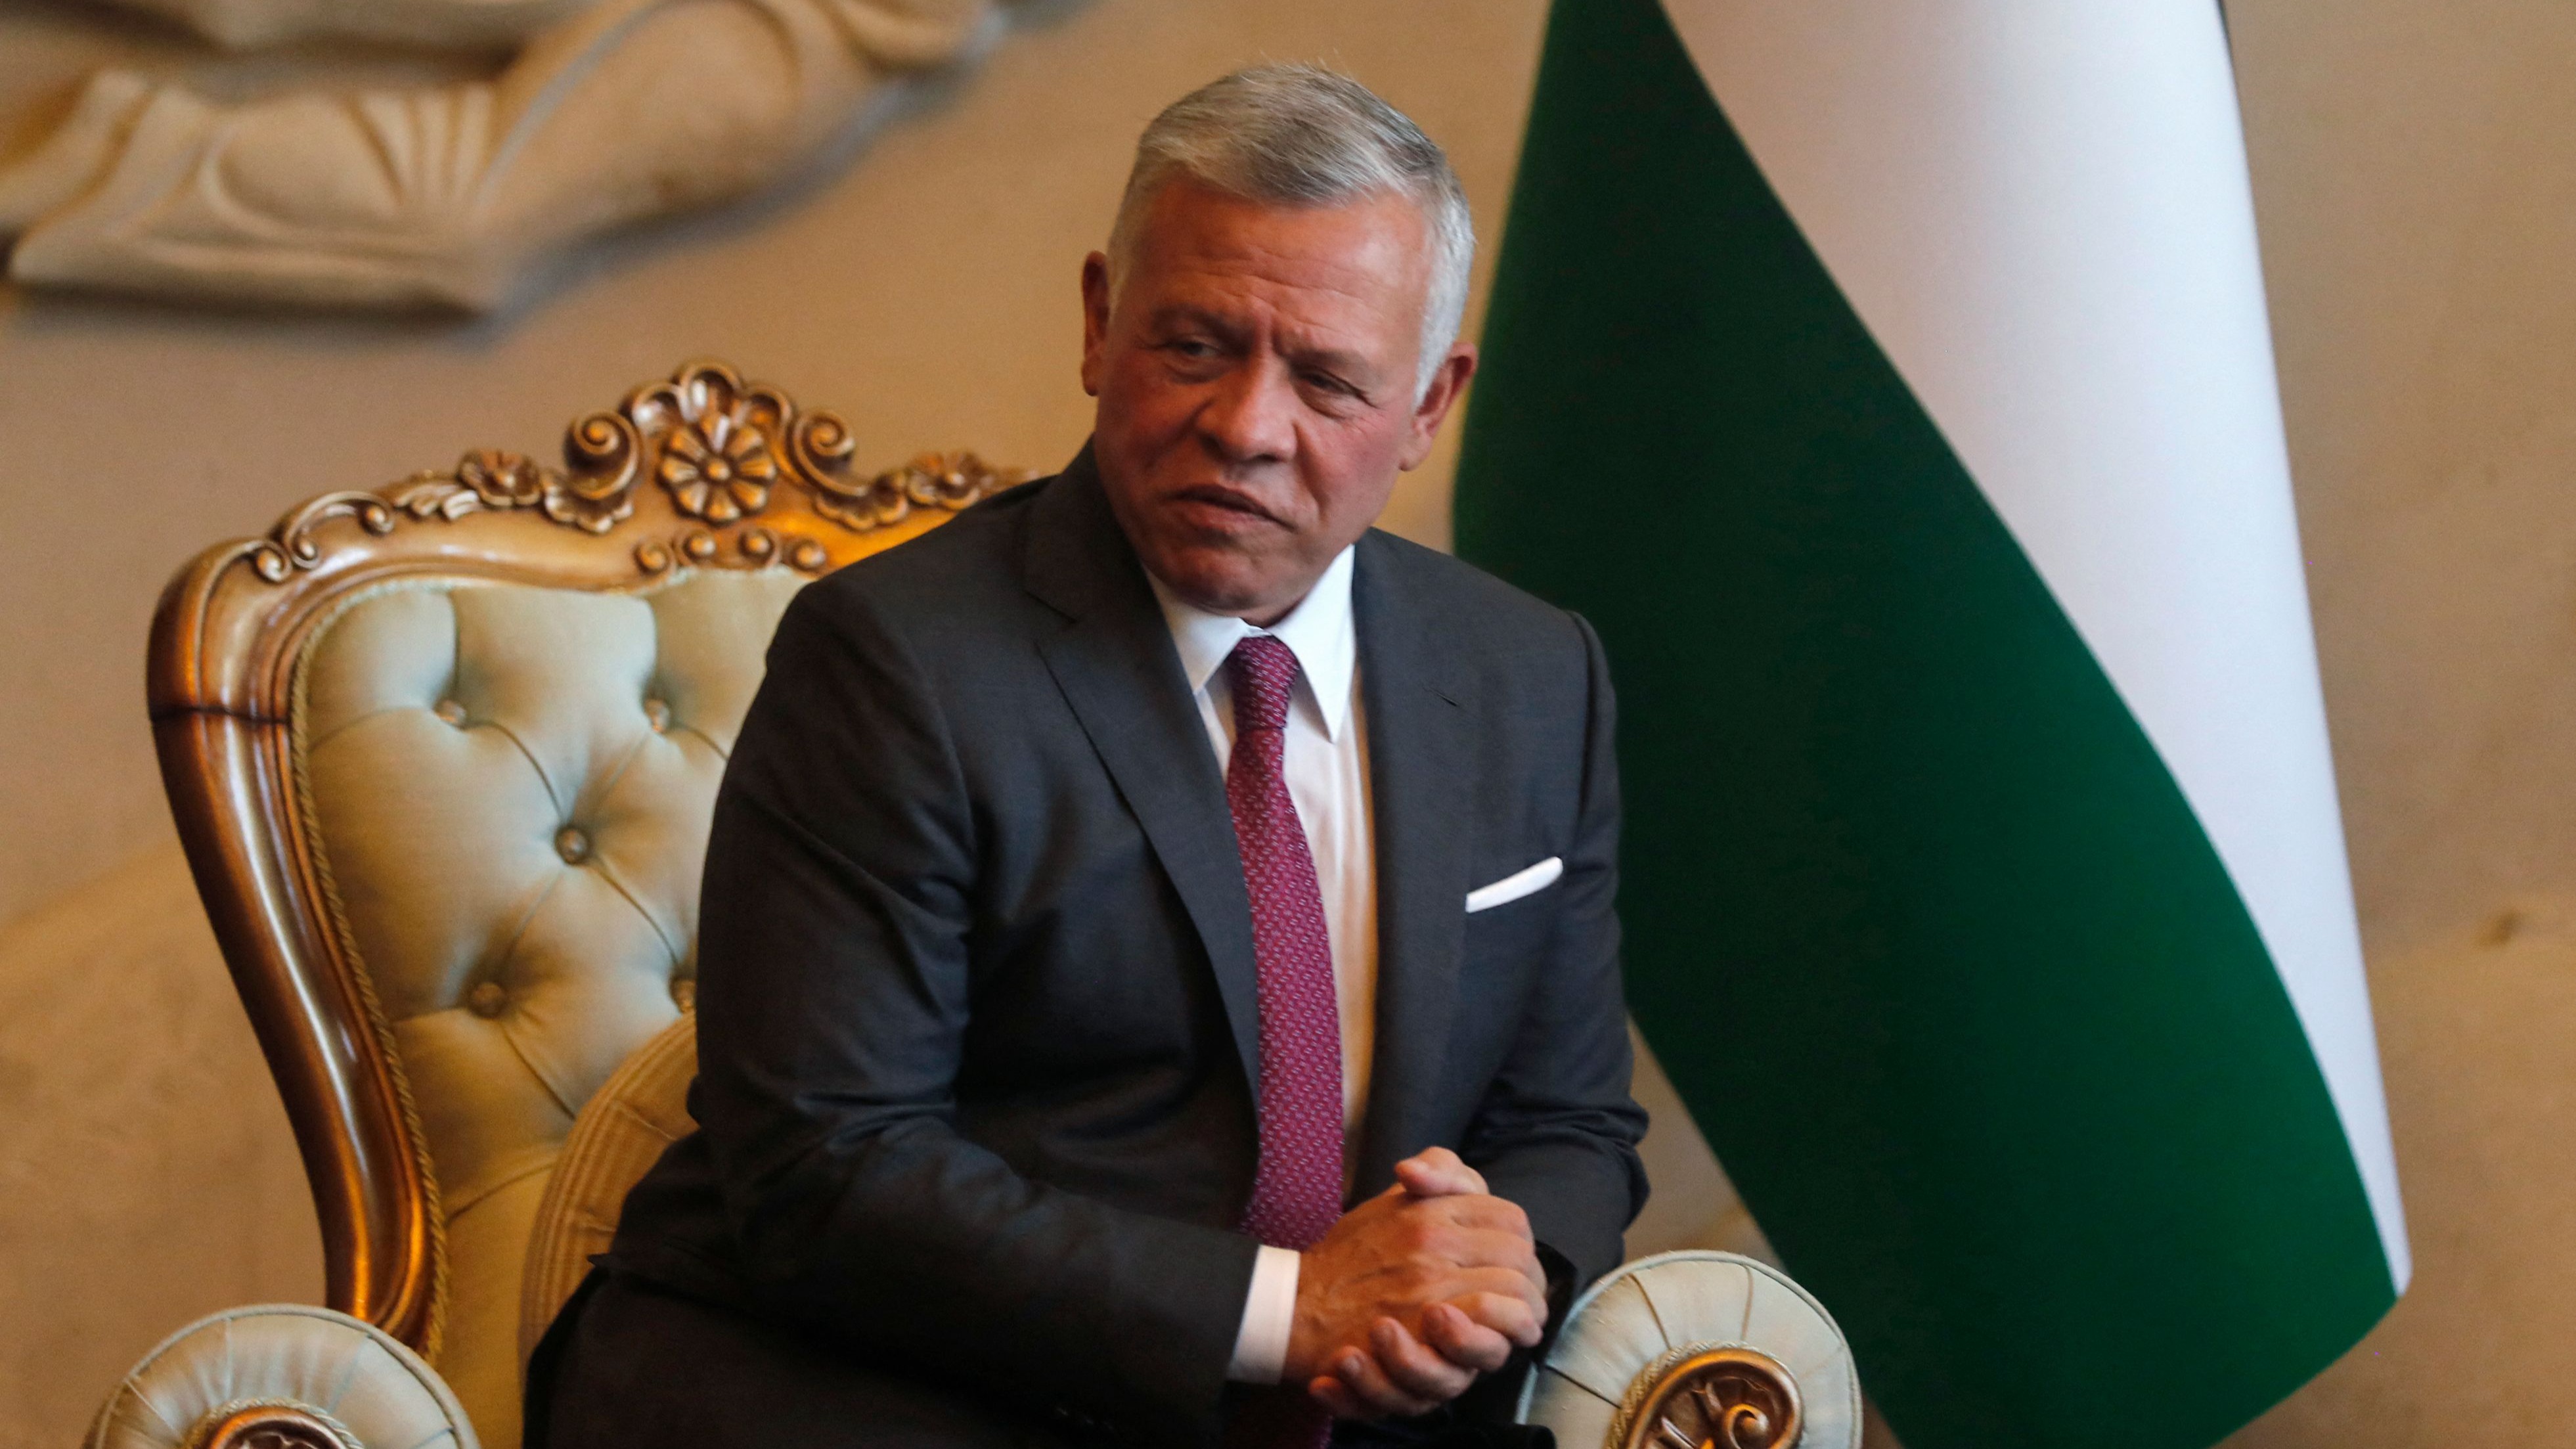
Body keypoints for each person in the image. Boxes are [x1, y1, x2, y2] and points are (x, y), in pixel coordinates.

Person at [529, 63, 1647, 1449]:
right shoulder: (895, 661)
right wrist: (1284, 1307)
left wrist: (1483, 1283)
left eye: (1326, 378)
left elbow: (1567, 1121)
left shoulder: (1532, 675)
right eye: (1192, 344)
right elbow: (825, 1170)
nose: (1245, 426)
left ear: (1427, 406)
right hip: (887, 1385)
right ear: (1097, 323)